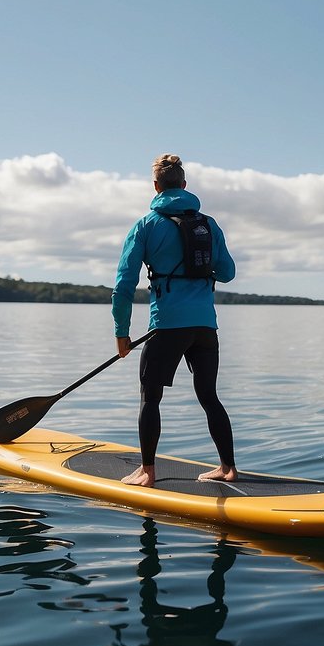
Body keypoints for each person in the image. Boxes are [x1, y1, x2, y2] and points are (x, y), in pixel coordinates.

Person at [112, 154, 237, 487]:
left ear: (156, 187)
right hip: (205, 327)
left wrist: (121, 332)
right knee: (209, 396)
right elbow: (228, 273)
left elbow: (124, 285)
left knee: (150, 397)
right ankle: (228, 468)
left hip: (167, 326)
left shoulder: (146, 225)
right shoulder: (209, 224)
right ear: (184, 185)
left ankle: (147, 472)